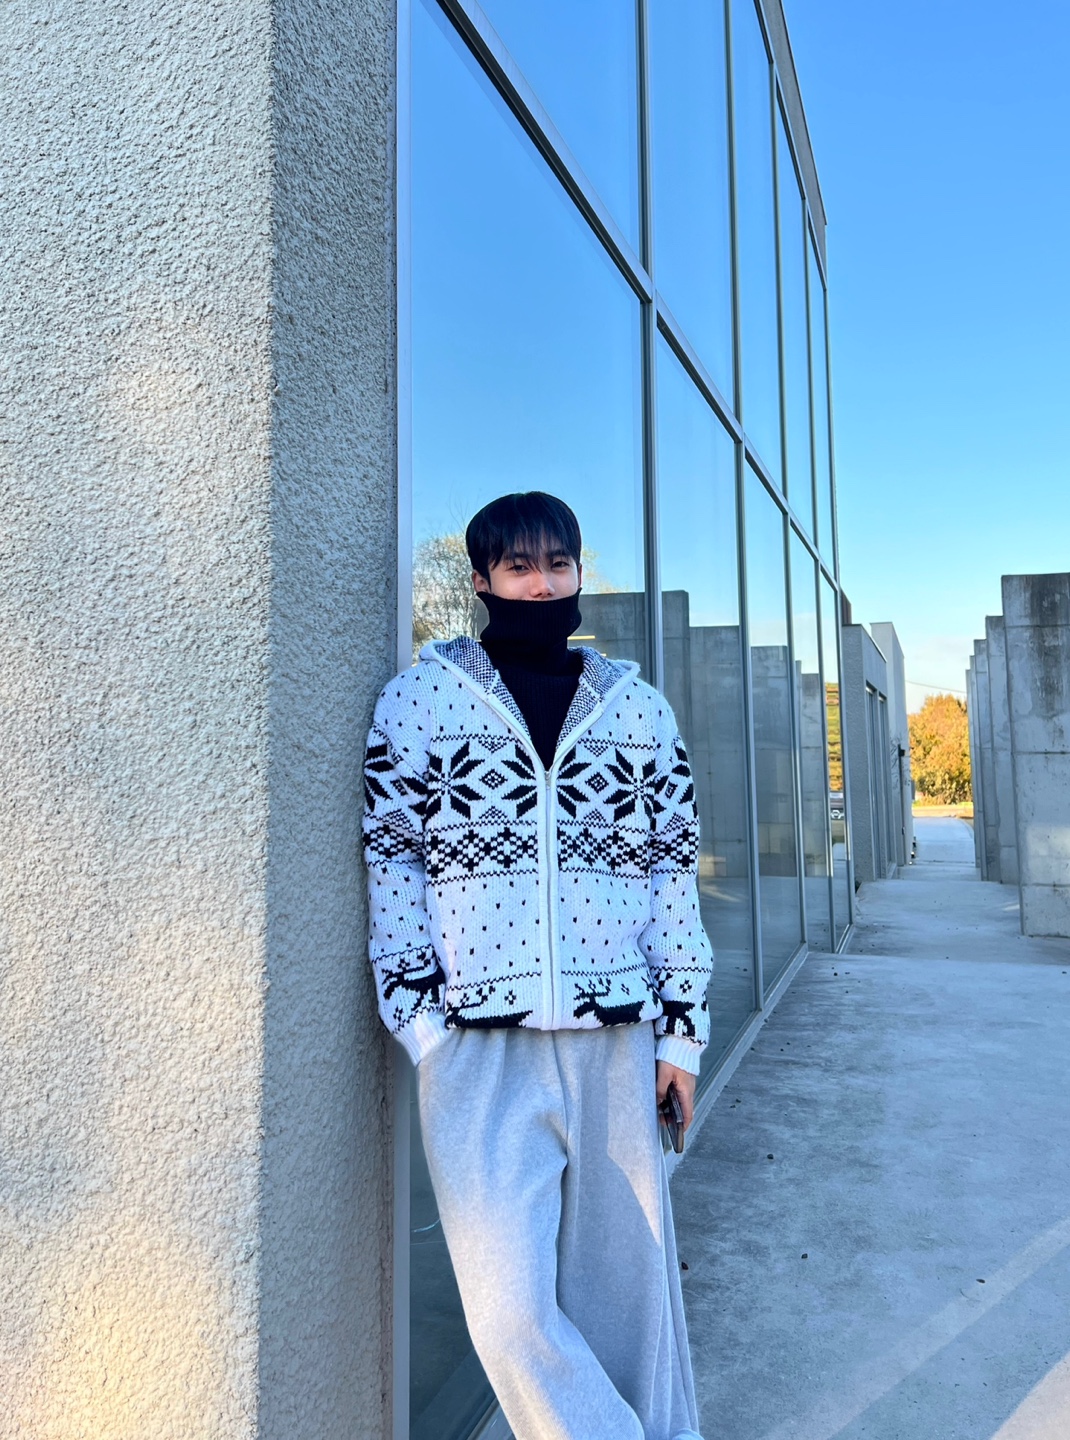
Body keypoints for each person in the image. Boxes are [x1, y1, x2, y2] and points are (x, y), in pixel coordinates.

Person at [363, 491, 713, 1440]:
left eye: (558, 564)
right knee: (511, 1314)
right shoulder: (419, 702)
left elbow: (671, 873)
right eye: (519, 567)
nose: (542, 584)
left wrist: (681, 1035)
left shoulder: (639, 712)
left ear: (578, 573)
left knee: (629, 1314)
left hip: (616, 1044)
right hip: (478, 1055)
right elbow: (393, 865)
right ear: (481, 579)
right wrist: (425, 1029)